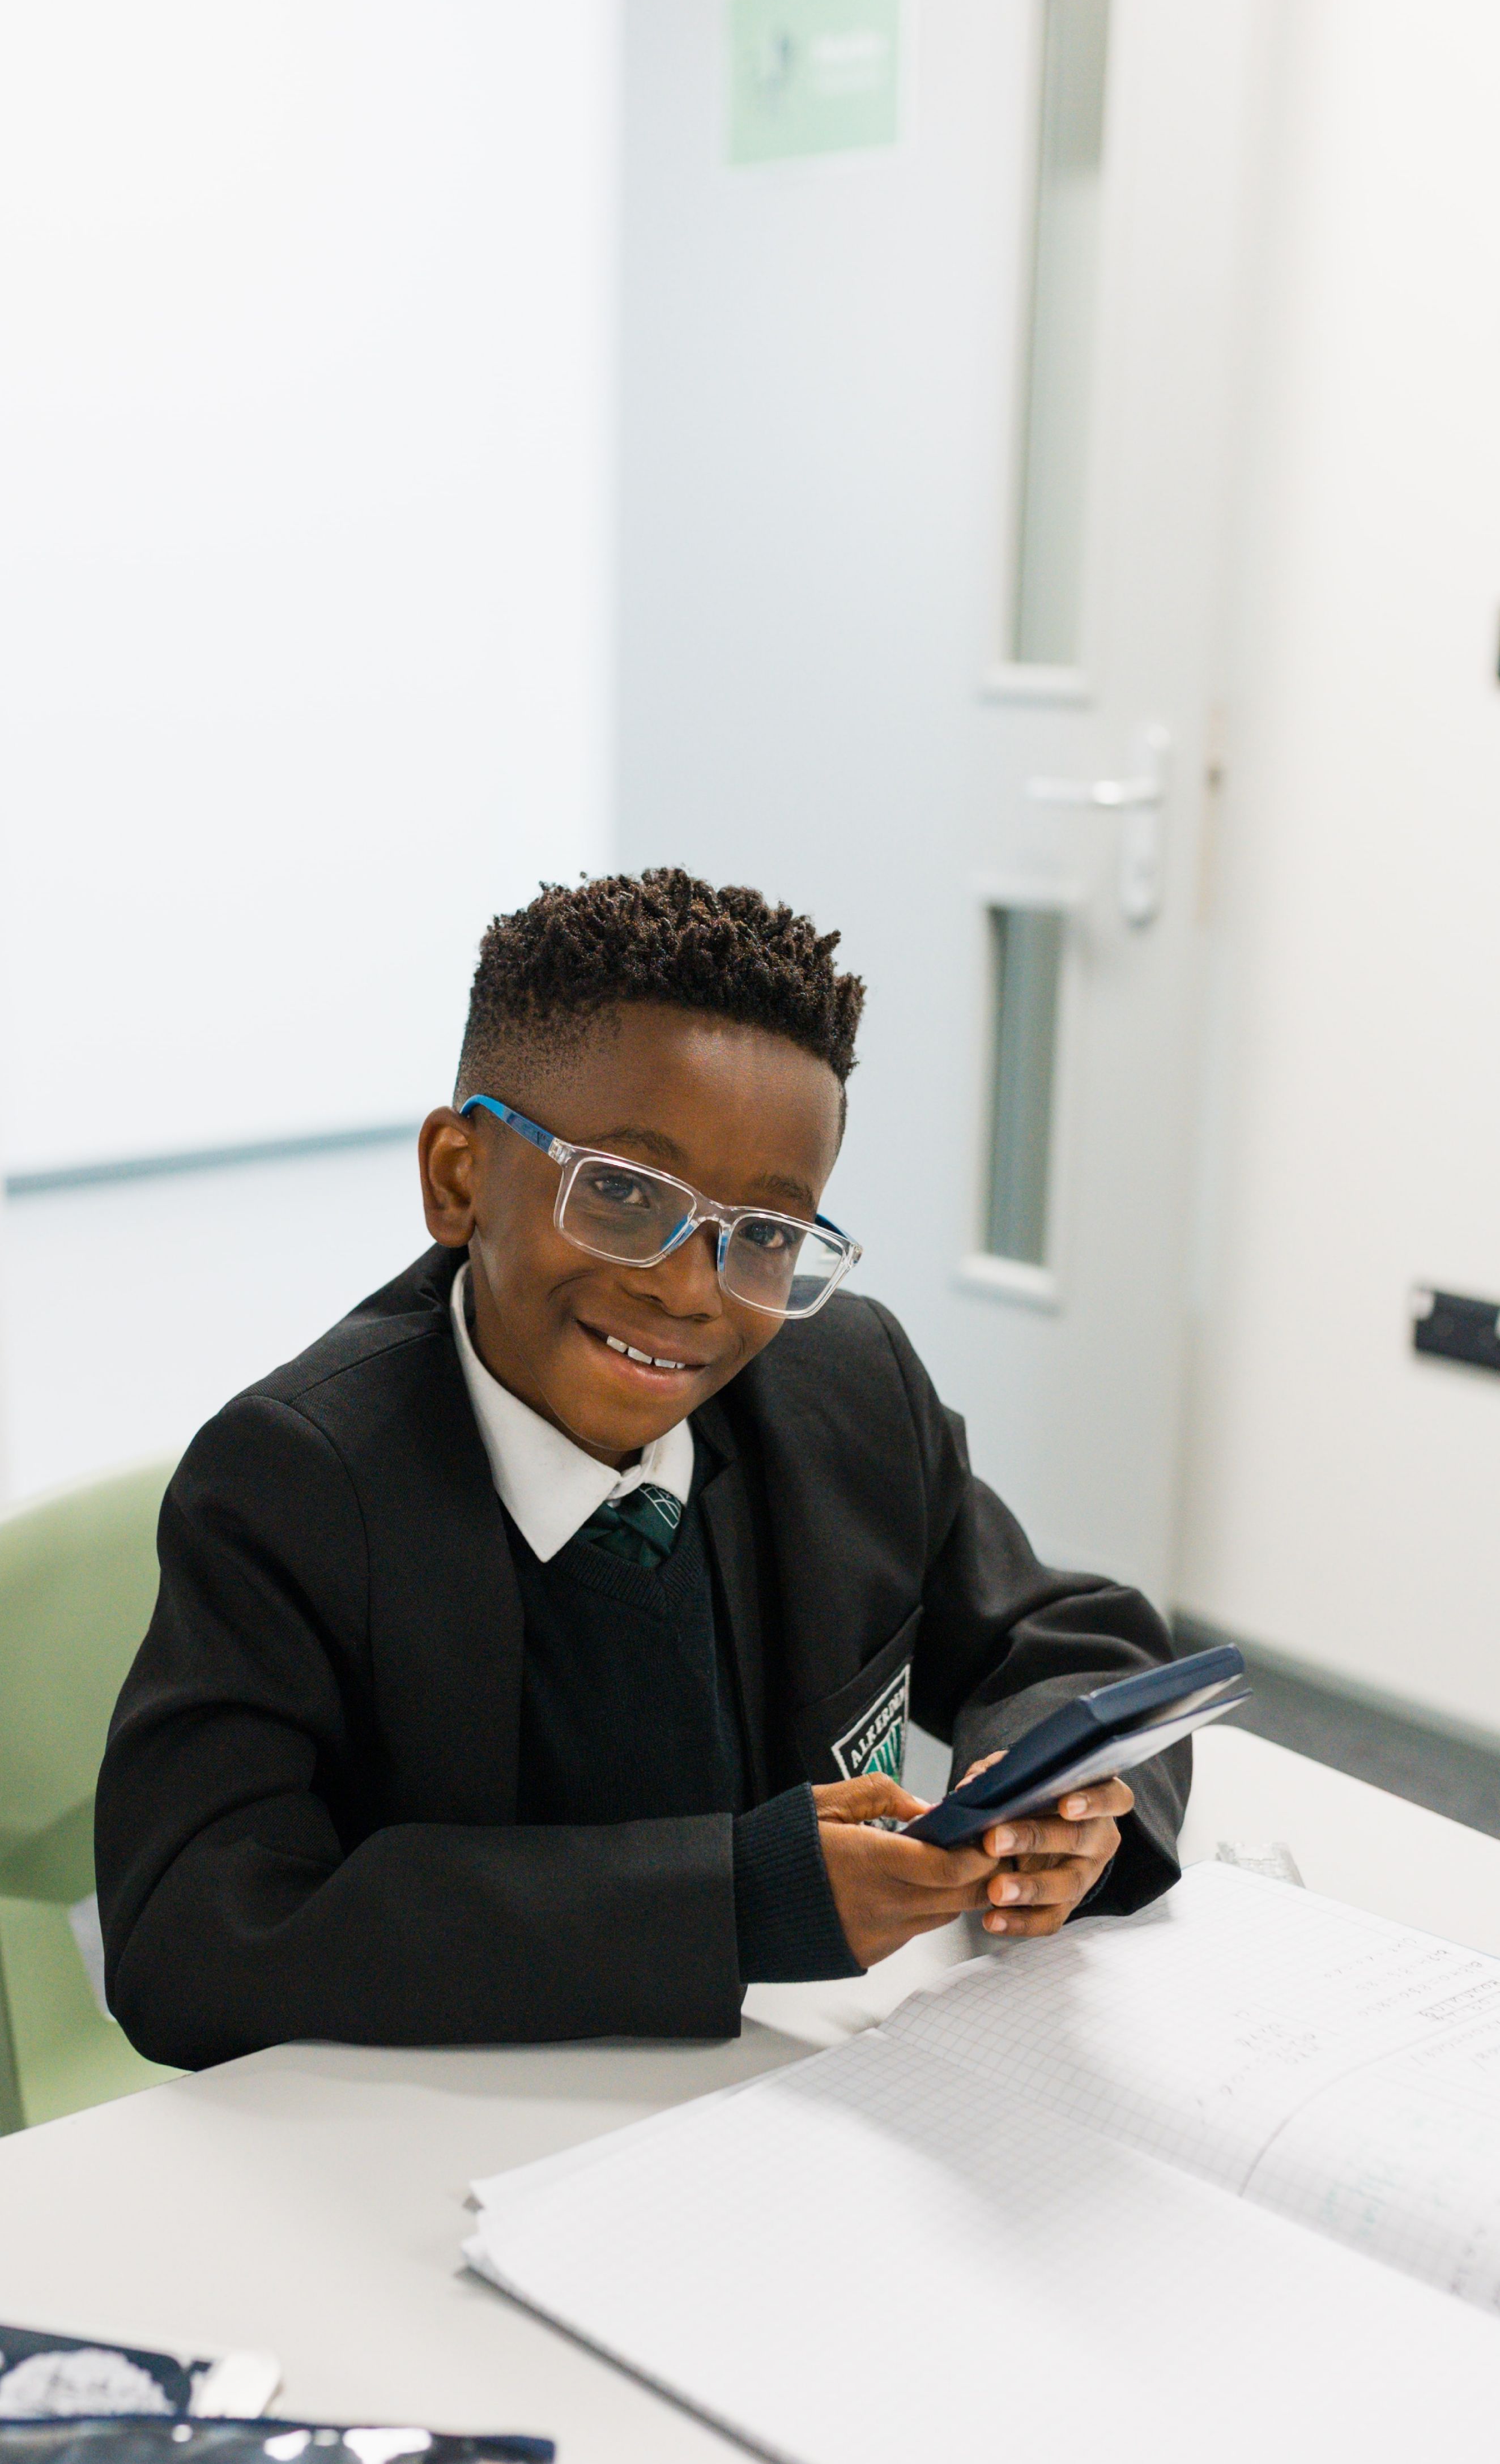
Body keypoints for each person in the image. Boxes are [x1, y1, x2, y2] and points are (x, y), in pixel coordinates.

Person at [96, 869, 1186, 2066]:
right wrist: (737, 1900)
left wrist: (1059, 1809)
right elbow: (193, 1933)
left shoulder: (844, 1389)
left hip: (782, 2095)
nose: (688, 1289)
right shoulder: (294, 1483)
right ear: (458, 1178)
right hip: (446, 2119)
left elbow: (1073, 1639)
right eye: (619, 1192)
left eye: (764, 1234)